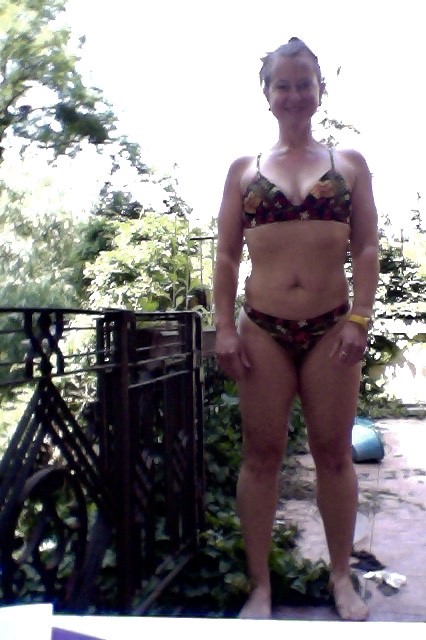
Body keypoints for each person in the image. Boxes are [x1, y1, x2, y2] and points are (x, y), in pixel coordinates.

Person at [213, 37, 379, 621]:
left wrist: (360, 318)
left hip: (333, 329)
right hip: (262, 329)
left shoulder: (349, 164)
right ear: (266, 94)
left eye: (304, 82)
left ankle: (341, 577)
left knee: (334, 454)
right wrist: (223, 327)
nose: (293, 93)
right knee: (261, 455)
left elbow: (366, 247)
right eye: (282, 84)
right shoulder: (244, 170)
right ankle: (259, 585)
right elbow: (226, 255)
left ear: (319, 90)